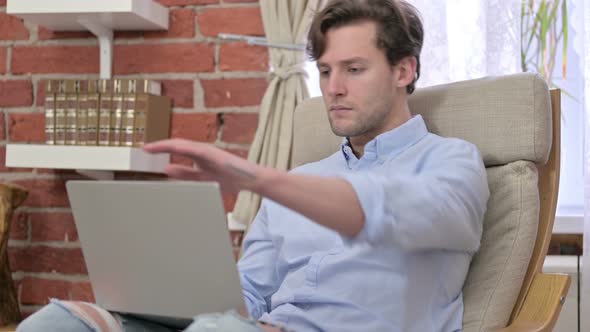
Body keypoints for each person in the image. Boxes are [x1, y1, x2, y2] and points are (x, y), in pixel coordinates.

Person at [17, 0, 489, 331]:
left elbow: (381, 211)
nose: (333, 88)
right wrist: (164, 294)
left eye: (354, 69)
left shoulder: (452, 164)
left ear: (403, 71)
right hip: (246, 327)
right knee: (56, 323)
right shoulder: (303, 179)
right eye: (325, 71)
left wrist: (255, 176)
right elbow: (246, 294)